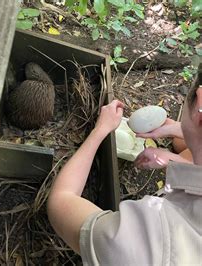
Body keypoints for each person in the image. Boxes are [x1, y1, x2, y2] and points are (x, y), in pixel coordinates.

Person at [47, 65, 201, 265]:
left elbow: (60, 200)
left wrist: (100, 130)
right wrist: (180, 135)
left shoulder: (146, 244)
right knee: (184, 146)